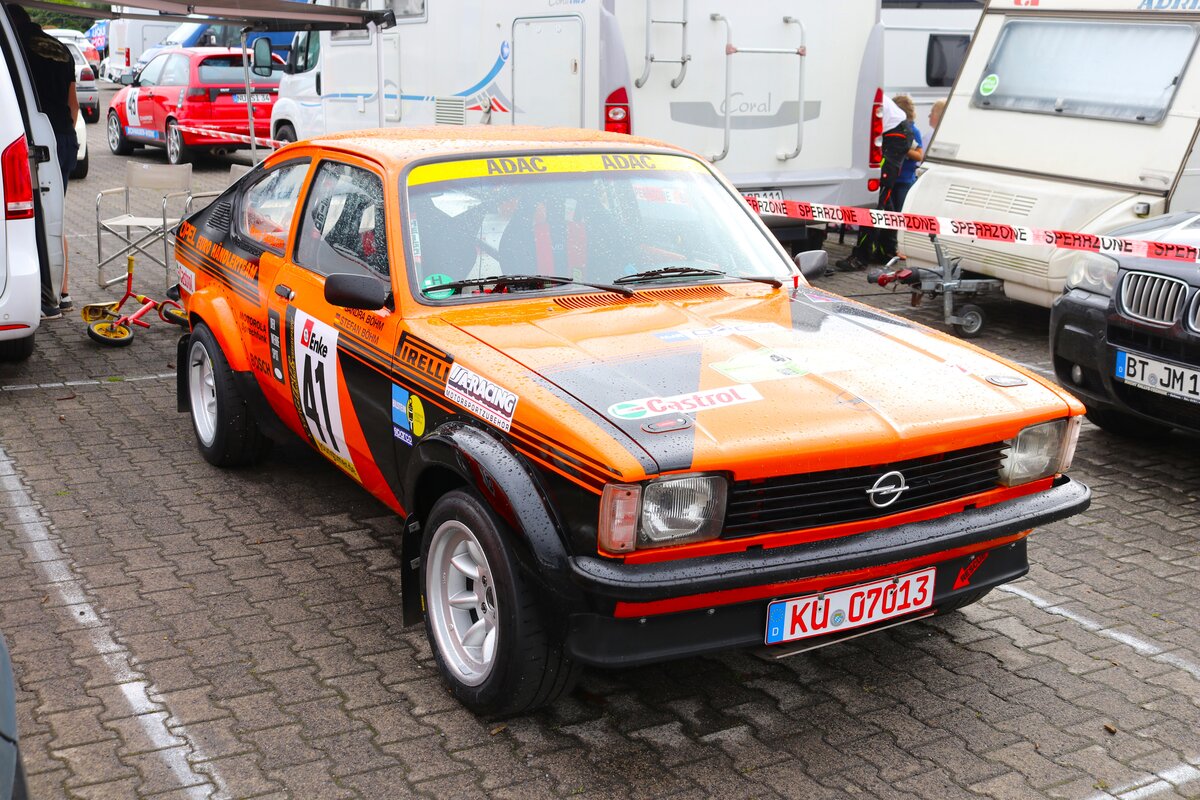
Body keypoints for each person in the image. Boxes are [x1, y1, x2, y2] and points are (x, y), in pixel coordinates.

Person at [9, 4, 77, 319]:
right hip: (62, 137)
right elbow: (72, 104)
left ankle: (45, 294)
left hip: (31, 140)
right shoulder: (61, 50)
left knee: (31, 217)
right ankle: (62, 292)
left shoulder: (14, 50)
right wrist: (64, 135)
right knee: (55, 212)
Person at [836, 94, 913, 271]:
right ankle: (886, 249)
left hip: (895, 136)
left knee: (875, 197)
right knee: (884, 198)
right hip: (891, 133)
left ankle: (861, 257)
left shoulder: (858, 93)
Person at [892, 94, 924, 213]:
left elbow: (919, 155)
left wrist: (904, 149)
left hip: (904, 181)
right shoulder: (892, 129)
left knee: (901, 211)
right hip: (891, 179)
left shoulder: (912, 131)